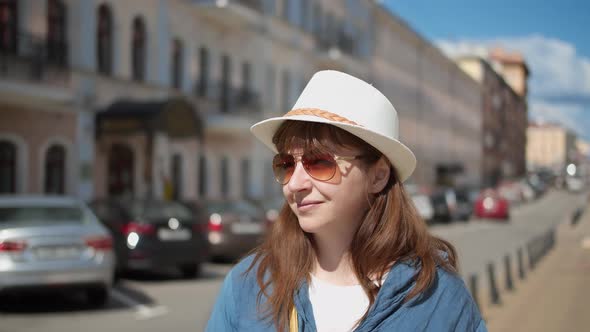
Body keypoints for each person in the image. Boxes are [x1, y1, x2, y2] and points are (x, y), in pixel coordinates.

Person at [206, 70, 487, 332]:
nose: (295, 183)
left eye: (319, 163)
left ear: (377, 176)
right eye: (287, 164)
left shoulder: (438, 299)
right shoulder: (249, 287)